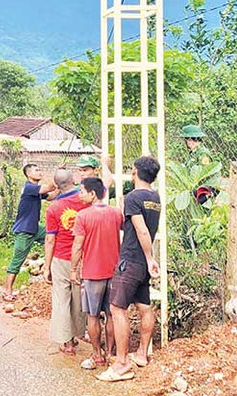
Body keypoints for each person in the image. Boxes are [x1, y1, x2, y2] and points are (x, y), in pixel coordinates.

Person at [97, 156, 161, 382]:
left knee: (117, 308)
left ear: (134, 172)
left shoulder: (133, 197)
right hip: (142, 264)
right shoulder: (155, 197)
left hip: (132, 259)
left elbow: (141, 230)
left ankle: (122, 363)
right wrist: (149, 261)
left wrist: (149, 257)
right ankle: (142, 354)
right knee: (145, 306)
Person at [70, 177, 123, 370]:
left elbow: (77, 246)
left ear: (93, 194)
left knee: (92, 316)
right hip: (114, 272)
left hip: (92, 273)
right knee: (111, 314)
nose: (80, 194)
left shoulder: (83, 216)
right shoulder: (116, 214)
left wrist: (73, 269)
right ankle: (110, 353)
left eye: (82, 191)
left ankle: (96, 355)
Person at [43, 169, 88, 356]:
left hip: (61, 257)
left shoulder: (53, 208)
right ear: (73, 180)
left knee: (62, 299)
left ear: (56, 185)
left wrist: (47, 266)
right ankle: (79, 333)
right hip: (84, 257)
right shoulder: (86, 199)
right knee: (79, 298)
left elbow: (50, 239)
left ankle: (67, 343)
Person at [2, 164, 57, 302]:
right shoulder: (29, 188)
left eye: (39, 169)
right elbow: (49, 187)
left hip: (34, 228)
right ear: (28, 174)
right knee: (17, 261)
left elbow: (51, 196)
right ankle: (8, 291)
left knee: (55, 234)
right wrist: (59, 174)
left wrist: (62, 189)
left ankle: (50, 265)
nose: (39, 172)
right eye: (36, 170)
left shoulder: (36, 190)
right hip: (24, 230)